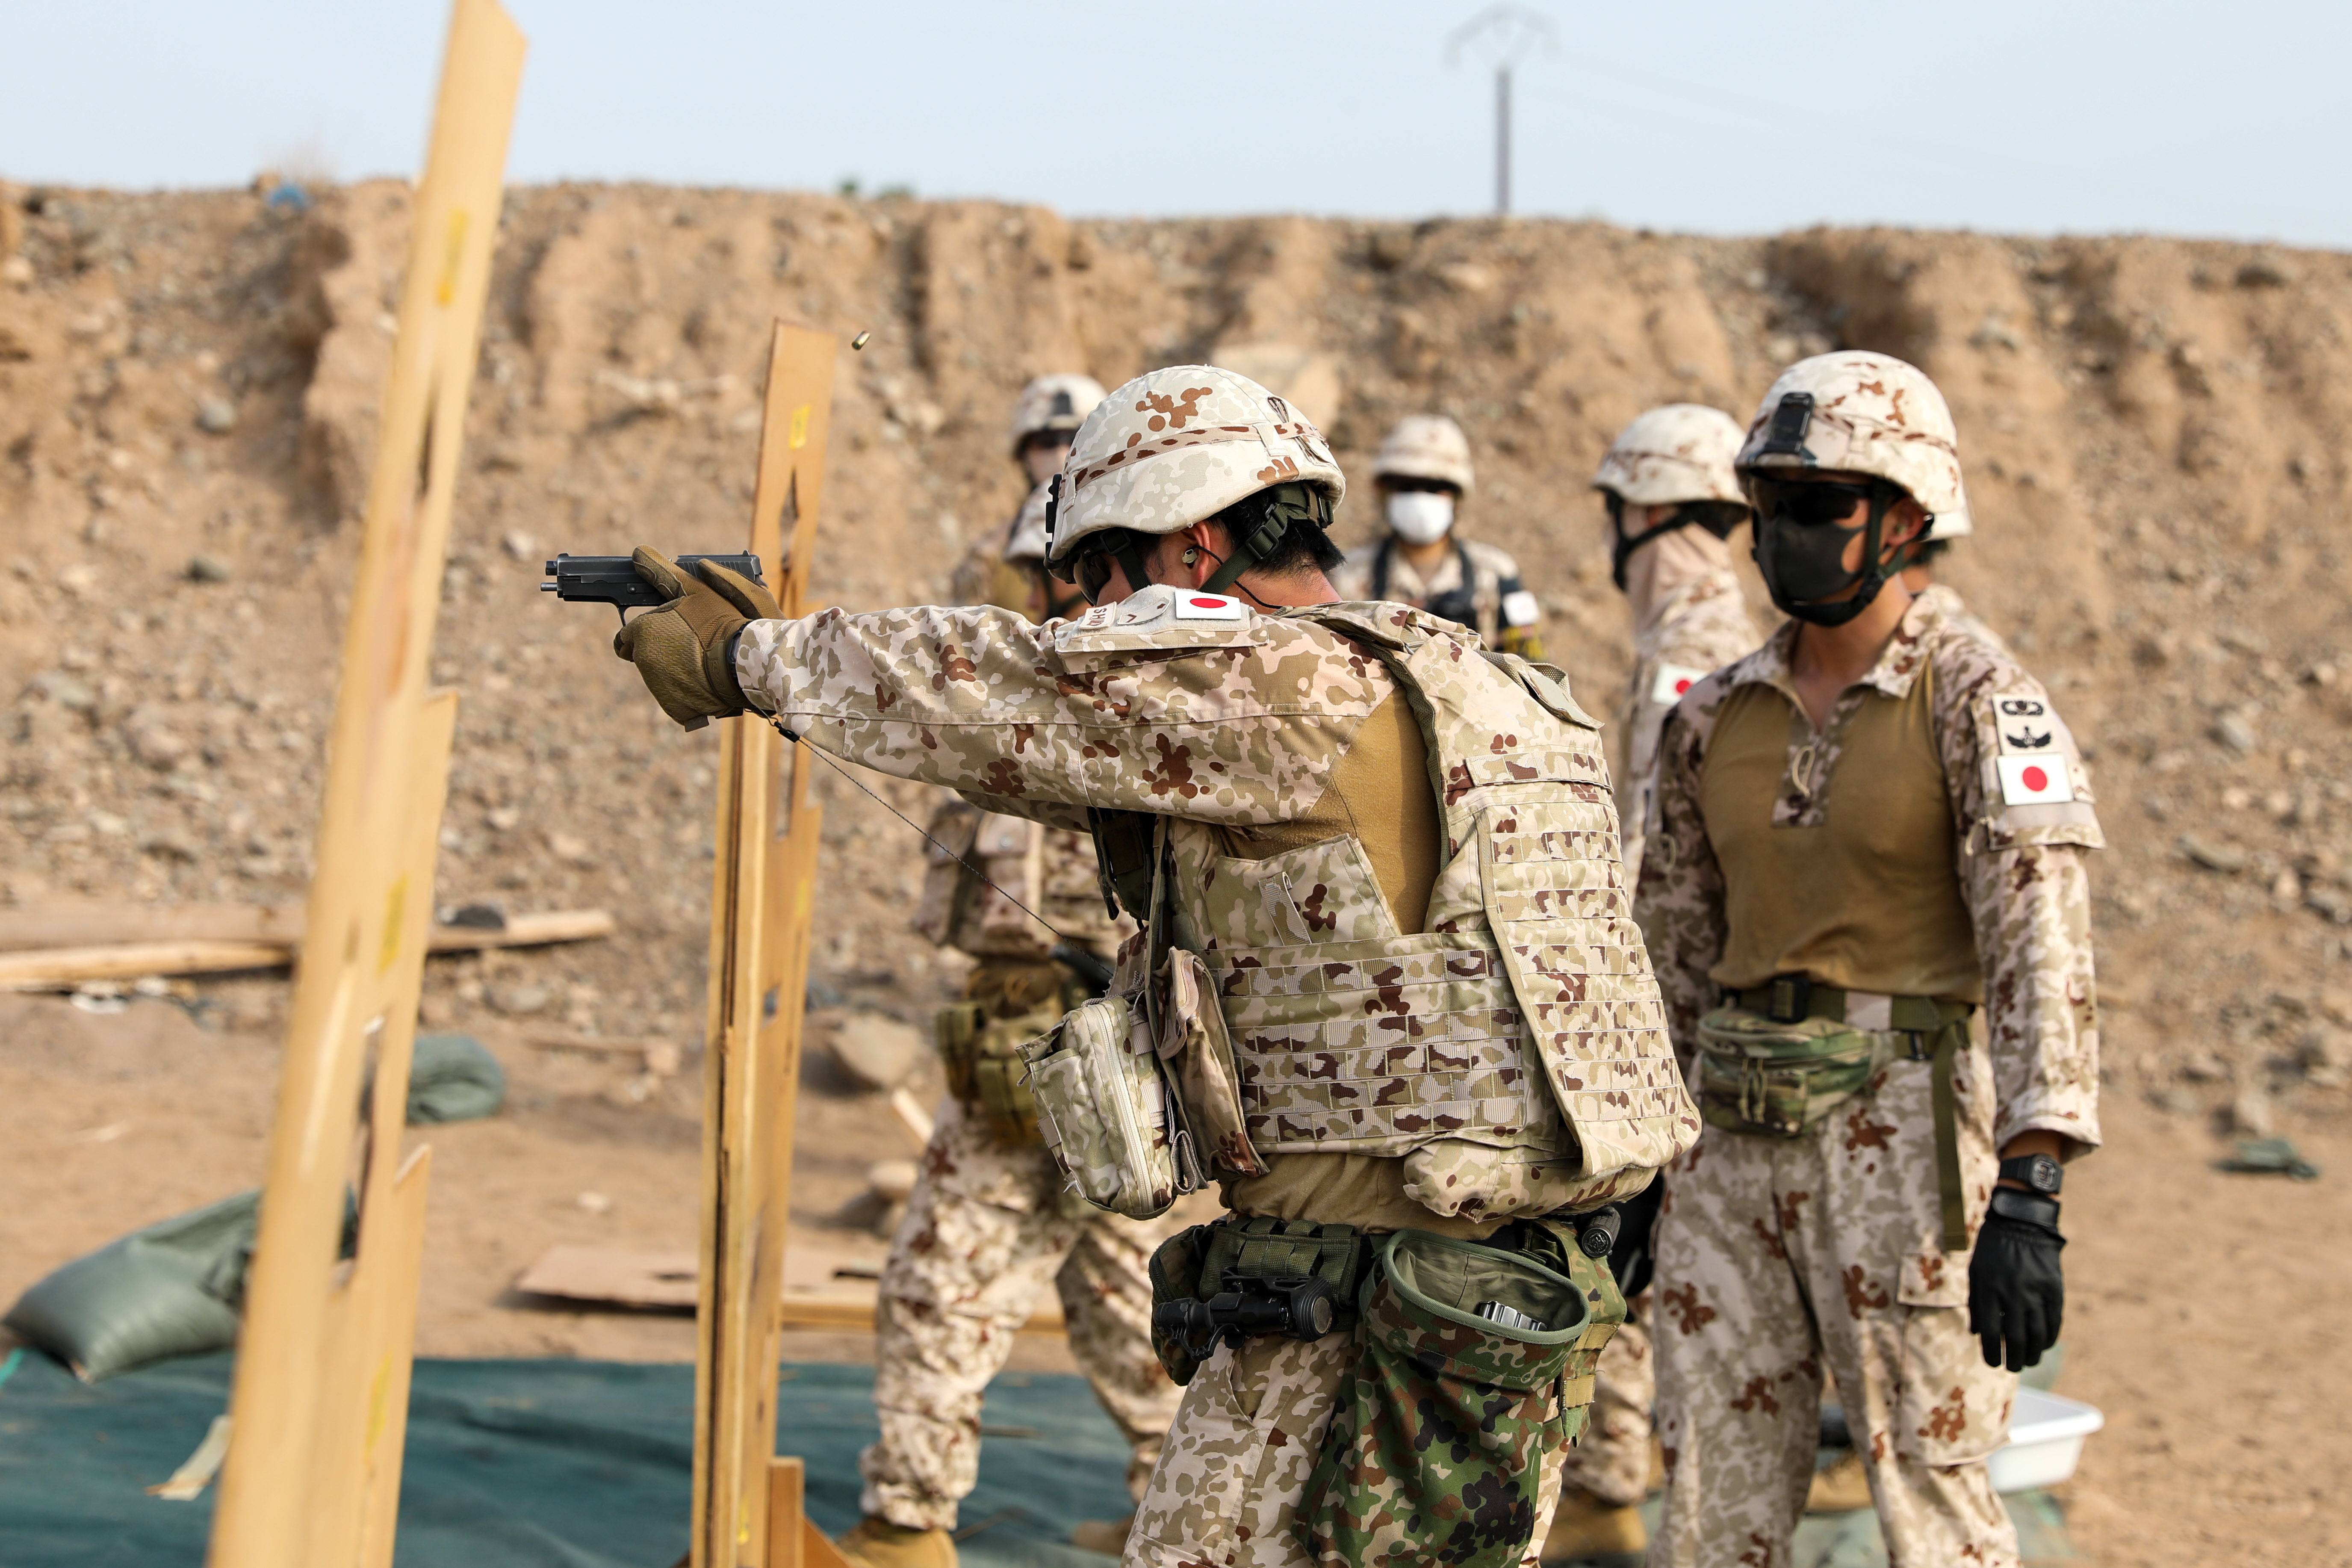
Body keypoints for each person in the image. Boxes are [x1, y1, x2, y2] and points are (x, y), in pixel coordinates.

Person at [606, 364, 1697, 1568]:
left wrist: (747, 657)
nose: (1089, 618)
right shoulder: (1477, 684)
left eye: (1099, 578)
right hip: (1485, 1303)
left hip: (1368, 1308)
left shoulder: (1278, 682)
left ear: (1192, 545)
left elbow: (1003, 686)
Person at [1635, 351, 2102, 1568]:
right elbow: (1670, 952)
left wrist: (2032, 1179)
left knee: (1927, 1492)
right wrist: (1635, 1165)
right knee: (1706, 1495)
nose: (1781, 531)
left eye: (1817, 504)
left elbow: (2038, 944)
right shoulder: (1709, 718)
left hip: (1902, 1133)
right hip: (1728, 1133)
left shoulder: (1976, 699)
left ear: (1902, 520)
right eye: (1767, 503)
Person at [829, 372, 1197, 1568]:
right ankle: (1169, 1514)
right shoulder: (1025, 677)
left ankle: (912, 1520)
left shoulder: (1129, 691)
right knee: (1100, 1290)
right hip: (1040, 1043)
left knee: (958, 1283)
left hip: (1089, 1045)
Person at [1534, 405, 1762, 1566]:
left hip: (1674, 1013)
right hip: (1692, 1006)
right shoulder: (1718, 632)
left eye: (1619, 512)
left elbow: (1652, 849)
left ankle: (1624, 1489)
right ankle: (1611, 1486)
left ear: (1654, 512)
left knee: (1643, 1254)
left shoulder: (1691, 646)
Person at [1330, 413, 1545, 658]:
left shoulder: (1496, 575)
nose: (1420, 497)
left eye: (1435, 487)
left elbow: (1529, 665)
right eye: (1406, 486)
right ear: (1383, 492)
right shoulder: (1345, 577)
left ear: (1458, 497)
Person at [950, 373, 1109, 617]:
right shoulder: (990, 558)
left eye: (1075, 439)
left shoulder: (1137, 535)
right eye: (1046, 442)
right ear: (1024, 455)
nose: (1061, 453)